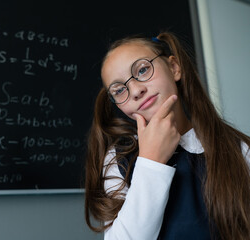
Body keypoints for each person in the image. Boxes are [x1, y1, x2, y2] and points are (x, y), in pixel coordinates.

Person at [84, 31, 250, 240]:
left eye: (143, 70)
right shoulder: (117, 159)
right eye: (119, 90)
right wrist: (151, 161)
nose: (135, 90)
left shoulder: (238, 148)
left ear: (174, 68)